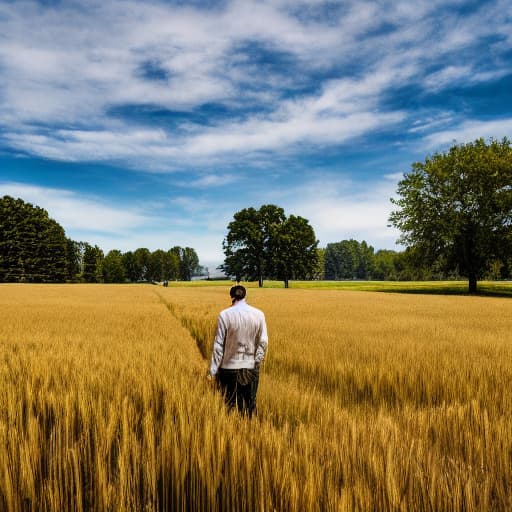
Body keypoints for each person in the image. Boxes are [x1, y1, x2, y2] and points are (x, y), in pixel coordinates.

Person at [208, 285, 268, 417]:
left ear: (232, 297)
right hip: (250, 367)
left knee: (228, 405)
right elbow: (263, 342)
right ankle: (251, 432)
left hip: (229, 368)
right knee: (249, 405)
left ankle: (230, 431)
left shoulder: (224, 315)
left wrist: (212, 371)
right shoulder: (259, 314)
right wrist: (256, 362)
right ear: (245, 296)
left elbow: (218, 345)